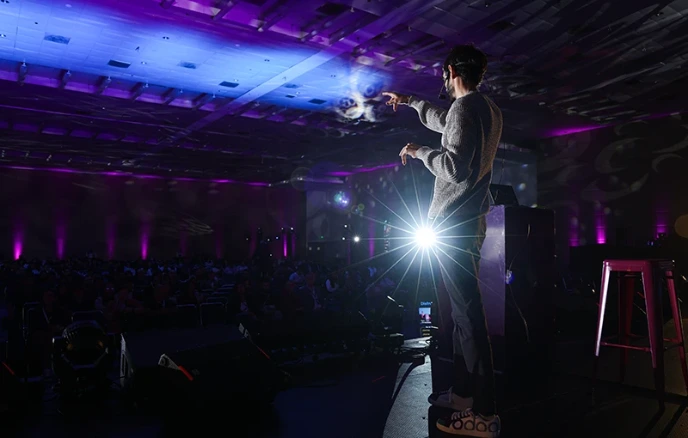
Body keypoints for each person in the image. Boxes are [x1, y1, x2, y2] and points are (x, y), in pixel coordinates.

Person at [383, 44, 502, 437]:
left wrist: (420, 152)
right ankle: (465, 395)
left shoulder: (466, 109)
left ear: (450, 71)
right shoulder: (487, 109)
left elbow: (454, 167)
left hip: (453, 224)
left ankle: (484, 413)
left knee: (468, 318)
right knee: (460, 317)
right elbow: (447, 122)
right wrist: (411, 102)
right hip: (468, 223)